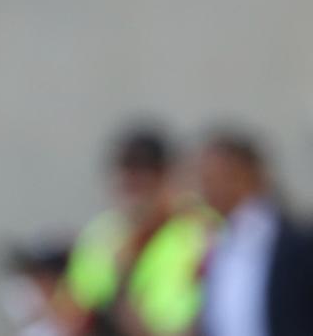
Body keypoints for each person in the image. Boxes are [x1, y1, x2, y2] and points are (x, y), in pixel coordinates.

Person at [61, 126, 214, 336]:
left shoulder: (202, 229)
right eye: (126, 172)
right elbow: (72, 313)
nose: (133, 184)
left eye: (146, 173)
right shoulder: (101, 234)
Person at [197, 129, 313, 336]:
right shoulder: (217, 238)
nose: (205, 188)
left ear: (246, 175)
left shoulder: (296, 242)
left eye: (213, 177)